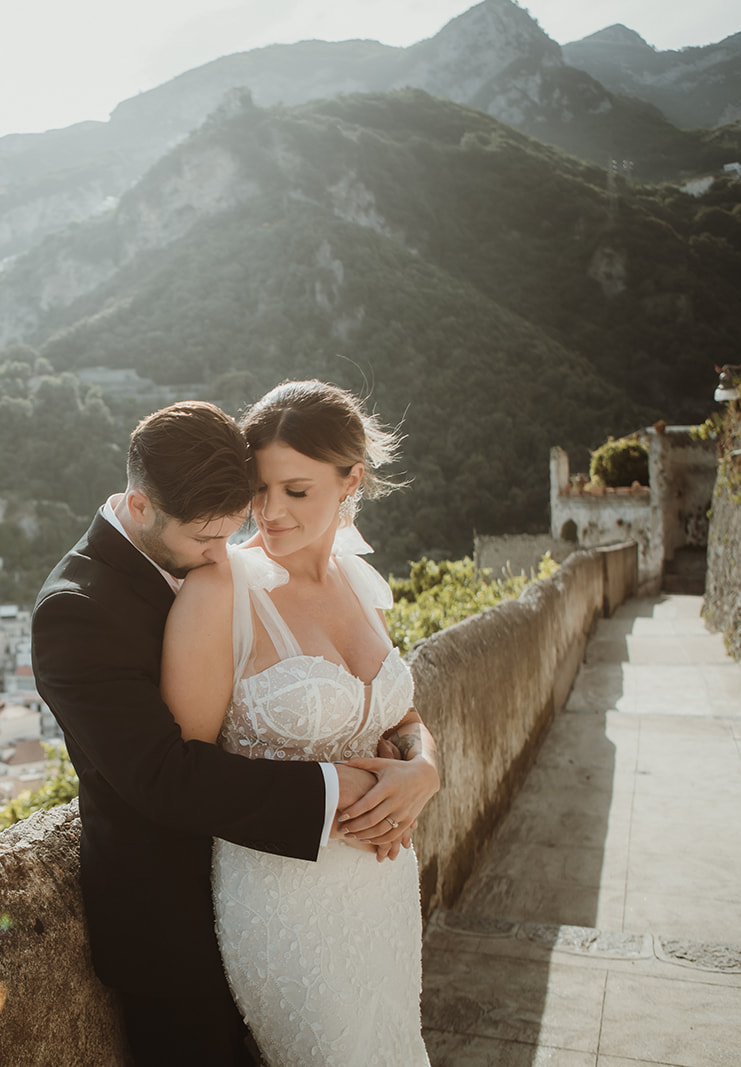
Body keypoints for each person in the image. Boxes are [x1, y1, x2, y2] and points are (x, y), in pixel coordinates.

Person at [32, 401, 387, 1066]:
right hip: (171, 928)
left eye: (231, 532)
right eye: (204, 540)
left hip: (286, 901)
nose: (223, 555)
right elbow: (163, 776)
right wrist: (340, 787)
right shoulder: (75, 612)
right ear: (140, 507)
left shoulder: (224, 562)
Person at [163, 380, 439, 1065]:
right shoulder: (220, 589)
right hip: (285, 902)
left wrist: (426, 768)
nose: (269, 512)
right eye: (258, 489)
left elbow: (401, 718)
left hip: (385, 890)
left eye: (296, 490)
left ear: (351, 481)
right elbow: (184, 769)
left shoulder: (359, 581)